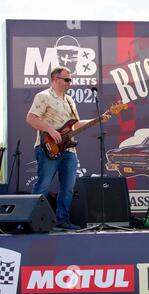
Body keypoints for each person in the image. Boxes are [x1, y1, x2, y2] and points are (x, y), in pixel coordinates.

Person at [26, 66, 111, 230]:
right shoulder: (43, 96)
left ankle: (62, 220)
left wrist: (98, 119)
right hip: (47, 147)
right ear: (55, 79)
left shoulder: (70, 101)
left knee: (68, 187)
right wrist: (50, 130)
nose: (69, 83)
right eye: (66, 79)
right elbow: (30, 118)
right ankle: (31, 221)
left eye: (70, 80)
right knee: (43, 185)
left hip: (69, 150)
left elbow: (75, 125)